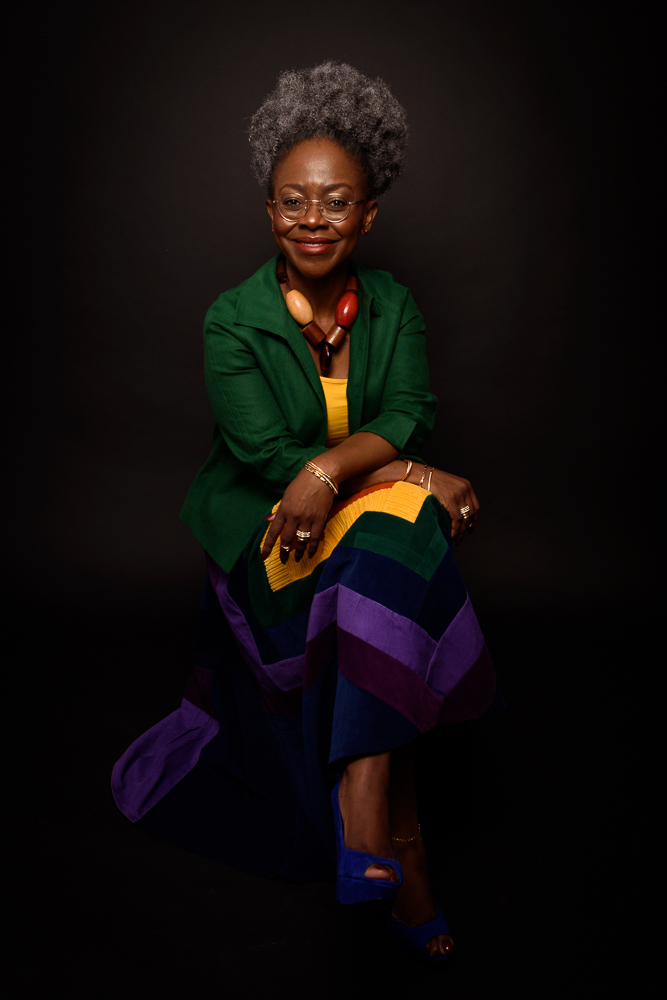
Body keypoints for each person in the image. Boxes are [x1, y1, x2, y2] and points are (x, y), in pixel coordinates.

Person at [112, 61, 502, 962]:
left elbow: (408, 410)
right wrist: (412, 475)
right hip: (270, 539)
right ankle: (403, 848)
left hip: (347, 527)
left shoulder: (392, 306)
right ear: (268, 213)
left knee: (380, 547)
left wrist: (339, 472)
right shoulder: (231, 319)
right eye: (293, 203)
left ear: (368, 216)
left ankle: (364, 794)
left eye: (336, 203)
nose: (313, 220)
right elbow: (267, 460)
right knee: (406, 527)